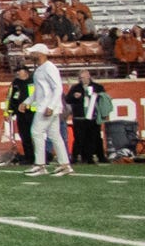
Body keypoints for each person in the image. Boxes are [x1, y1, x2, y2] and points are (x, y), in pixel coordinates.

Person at [25, 45, 71, 176]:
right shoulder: (40, 69)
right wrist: (26, 102)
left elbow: (58, 88)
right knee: (55, 136)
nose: (31, 55)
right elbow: (38, 91)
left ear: (40, 53)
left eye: (33, 52)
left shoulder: (49, 67)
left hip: (46, 107)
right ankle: (64, 164)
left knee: (36, 132)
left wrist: (51, 106)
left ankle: (40, 165)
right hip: (45, 106)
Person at [70, 70, 110, 165]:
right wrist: (75, 96)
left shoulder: (97, 87)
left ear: (88, 76)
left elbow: (103, 99)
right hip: (79, 117)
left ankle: (92, 157)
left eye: (83, 77)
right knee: (79, 138)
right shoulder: (75, 87)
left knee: (94, 138)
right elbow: (68, 99)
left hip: (93, 116)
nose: (82, 80)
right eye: (80, 78)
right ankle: (76, 157)